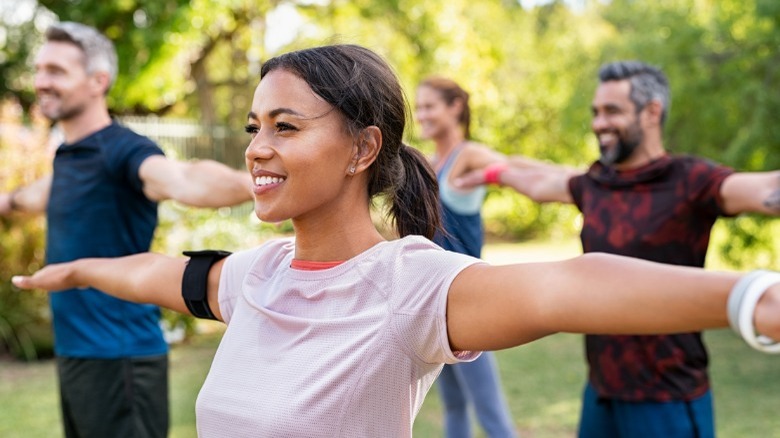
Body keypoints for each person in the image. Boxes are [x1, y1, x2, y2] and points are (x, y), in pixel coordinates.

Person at [11, 45, 780, 438]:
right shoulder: (255, 277)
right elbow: (161, 273)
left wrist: (751, 296)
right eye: (253, 127)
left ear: (362, 148)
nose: (257, 148)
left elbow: (568, 285)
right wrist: (80, 268)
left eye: (285, 127)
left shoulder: (408, 286)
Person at [455, 60, 780, 438]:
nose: (599, 123)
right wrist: (489, 174)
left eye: (612, 111)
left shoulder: (690, 180)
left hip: (667, 397)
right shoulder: (596, 182)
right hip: (602, 393)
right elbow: (541, 182)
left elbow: (765, 189)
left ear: (652, 112)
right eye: (596, 112)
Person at [0, 22, 252, 438]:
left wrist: (258, 184)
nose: (41, 81)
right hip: (77, 355)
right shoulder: (70, 156)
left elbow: (183, 179)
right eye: (40, 69)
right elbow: (25, 199)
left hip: (120, 360)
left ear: (98, 81)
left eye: (57, 71)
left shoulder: (124, 150)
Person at [414, 76, 517, 438]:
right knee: (454, 407)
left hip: (468, 303)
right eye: (419, 107)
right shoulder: (429, 163)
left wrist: (490, 176)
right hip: (434, 305)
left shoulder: (468, 155)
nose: (421, 114)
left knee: (491, 415)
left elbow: (513, 169)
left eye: (429, 106)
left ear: (455, 106)